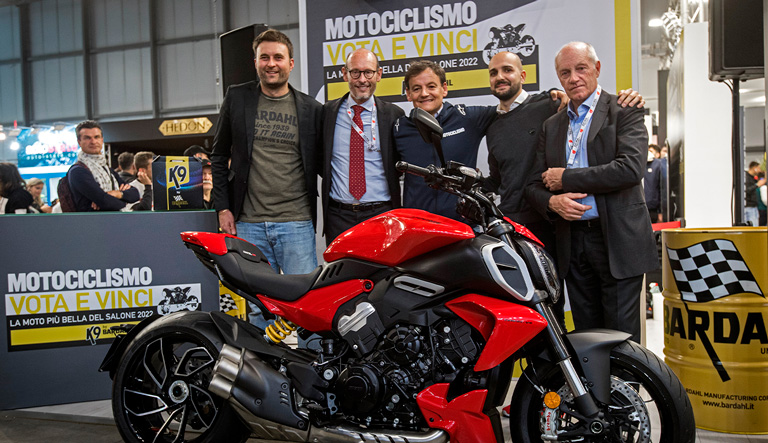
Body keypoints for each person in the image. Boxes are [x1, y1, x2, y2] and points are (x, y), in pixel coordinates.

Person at [525, 42, 658, 343]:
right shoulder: (552, 125)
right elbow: (533, 185)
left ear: (597, 69)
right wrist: (552, 202)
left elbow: (629, 169)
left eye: (581, 69)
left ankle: (624, 378)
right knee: (588, 339)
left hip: (618, 240)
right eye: (565, 73)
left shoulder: (623, 110)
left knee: (622, 340)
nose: (574, 78)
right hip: (573, 243)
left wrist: (566, 178)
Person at [211, 29, 322, 328]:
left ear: (291, 63)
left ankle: (311, 359)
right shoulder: (237, 98)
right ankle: (261, 358)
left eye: (278, 57)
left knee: (306, 307)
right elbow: (218, 156)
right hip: (248, 224)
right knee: (257, 308)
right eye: (264, 57)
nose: (271, 64)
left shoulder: (311, 109)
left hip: (296, 223)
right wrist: (222, 208)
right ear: (255, 62)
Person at [393, 60, 498, 221]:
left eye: (431, 86)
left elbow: (510, 108)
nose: (424, 93)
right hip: (417, 224)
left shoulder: (468, 118)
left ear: (444, 88)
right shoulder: (399, 128)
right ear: (408, 94)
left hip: (463, 224)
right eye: (416, 88)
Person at [321, 48, 404, 246]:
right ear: (345, 74)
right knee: (340, 267)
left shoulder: (394, 115)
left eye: (368, 72)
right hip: (338, 217)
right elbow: (318, 159)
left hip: (381, 215)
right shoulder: (327, 113)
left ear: (379, 74)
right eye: (355, 72)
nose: (362, 79)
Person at [67, 120, 139, 212]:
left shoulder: (106, 169)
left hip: (114, 220)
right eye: (87, 138)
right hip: (91, 220)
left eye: (96, 137)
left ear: (102, 140)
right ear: (79, 142)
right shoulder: (78, 171)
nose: (93, 141)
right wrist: (124, 200)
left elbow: (135, 194)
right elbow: (105, 202)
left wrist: (118, 194)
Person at [644, 145, 663, 223]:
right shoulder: (641, 164)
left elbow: (662, 188)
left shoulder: (658, 165)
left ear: (657, 154)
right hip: (641, 207)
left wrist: (660, 211)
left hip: (653, 209)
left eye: (651, 151)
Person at [745, 161, 765, 227]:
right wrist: (757, 185)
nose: (759, 170)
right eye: (758, 168)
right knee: (754, 226)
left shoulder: (753, 178)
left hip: (754, 206)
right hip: (749, 206)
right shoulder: (746, 178)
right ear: (754, 168)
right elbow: (747, 190)